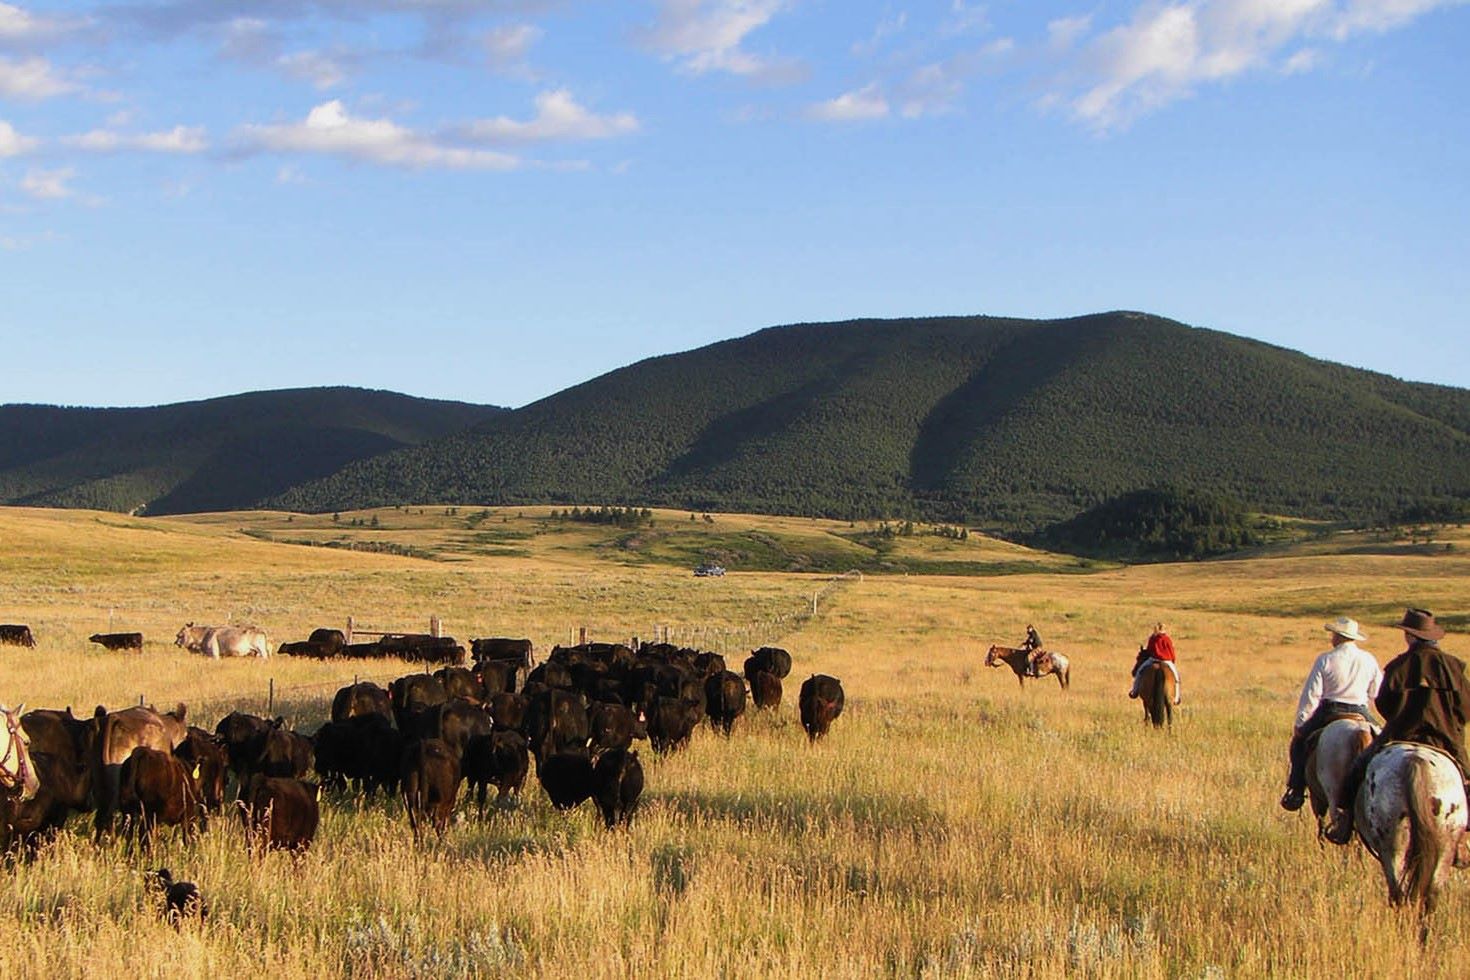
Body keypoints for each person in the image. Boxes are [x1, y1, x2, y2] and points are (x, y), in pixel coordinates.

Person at [1325, 609, 1470, 854]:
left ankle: (1344, 823)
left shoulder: (1399, 665)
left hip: (1401, 735)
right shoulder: (1453, 667)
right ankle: (1461, 840)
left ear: (1410, 636)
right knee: (1466, 779)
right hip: (1445, 738)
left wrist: (1402, 716)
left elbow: (1384, 703)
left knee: (1357, 770)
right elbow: (1466, 708)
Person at [1278, 617, 1381, 812]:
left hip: (1331, 710)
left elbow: (1311, 694)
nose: (1331, 637)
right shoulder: (1369, 659)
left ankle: (1296, 789)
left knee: (1299, 744)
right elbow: (1376, 692)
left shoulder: (1326, 659)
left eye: (1333, 634)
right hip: (1360, 710)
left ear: (1338, 636)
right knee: (1385, 745)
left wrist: (1301, 724)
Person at [1129, 622, 1180, 704]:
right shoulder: (1167, 639)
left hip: (1153, 659)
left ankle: (1134, 691)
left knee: (1139, 672)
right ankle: (1176, 697)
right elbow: (1171, 651)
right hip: (1166, 660)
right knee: (1176, 678)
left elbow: (1149, 650)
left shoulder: (1152, 638)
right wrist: (1172, 661)